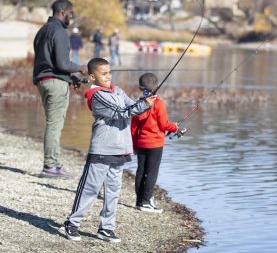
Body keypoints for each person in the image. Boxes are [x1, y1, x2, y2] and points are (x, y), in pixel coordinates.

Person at [63, 58, 156, 242]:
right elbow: (120, 112)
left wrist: (145, 102)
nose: (108, 76)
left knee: (113, 191)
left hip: (120, 148)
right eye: (103, 73)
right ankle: (72, 223)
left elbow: (131, 106)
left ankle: (106, 228)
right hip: (102, 149)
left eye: (109, 73)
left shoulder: (117, 89)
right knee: (90, 188)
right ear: (92, 76)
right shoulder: (96, 95)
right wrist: (142, 105)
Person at [33, 0, 87, 178]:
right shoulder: (61, 32)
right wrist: (80, 68)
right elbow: (62, 63)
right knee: (54, 125)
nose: (71, 17)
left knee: (52, 124)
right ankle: (51, 166)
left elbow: (50, 63)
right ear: (63, 12)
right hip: (55, 84)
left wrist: (71, 78)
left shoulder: (42, 31)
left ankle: (53, 164)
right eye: (70, 13)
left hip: (43, 81)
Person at [131, 73, 186, 213]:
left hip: (141, 143)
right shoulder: (159, 104)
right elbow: (163, 125)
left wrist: (134, 145)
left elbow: (133, 128)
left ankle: (139, 201)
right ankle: (146, 202)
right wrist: (175, 127)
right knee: (151, 173)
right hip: (155, 145)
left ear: (140, 87)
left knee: (140, 172)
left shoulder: (138, 104)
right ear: (156, 87)